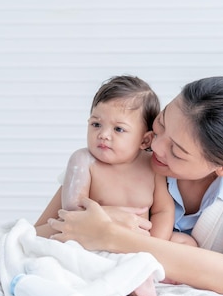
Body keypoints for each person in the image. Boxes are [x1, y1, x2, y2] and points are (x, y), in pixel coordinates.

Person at [43, 76, 223, 295]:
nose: (154, 146)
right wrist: (94, 219)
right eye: (162, 124)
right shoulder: (124, 155)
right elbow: (36, 234)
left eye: (177, 152)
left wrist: (111, 236)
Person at [35, 75, 177, 242]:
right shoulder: (84, 161)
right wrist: (109, 216)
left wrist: (153, 246)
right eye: (96, 124)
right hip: (91, 242)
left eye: (118, 129)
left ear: (145, 140)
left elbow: (163, 210)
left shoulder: (151, 166)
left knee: (185, 242)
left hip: (135, 246)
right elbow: (72, 209)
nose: (103, 135)